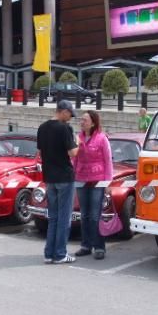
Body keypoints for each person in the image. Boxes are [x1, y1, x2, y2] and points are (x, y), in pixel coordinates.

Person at [37, 99, 79, 264]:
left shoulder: (42, 127)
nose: (70, 118)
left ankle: (49, 253)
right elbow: (73, 153)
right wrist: (79, 143)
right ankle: (60, 253)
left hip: (49, 177)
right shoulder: (65, 128)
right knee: (64, 217)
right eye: (69, 114)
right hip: (64, 177)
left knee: (53, 216)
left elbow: (40, 152)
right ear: (63, 111)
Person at [72, 111, 113, 260]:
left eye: (85, 120)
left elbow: (108, 161)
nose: (82, 122)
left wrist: (108, 181)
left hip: (98, 181)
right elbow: (75, 159)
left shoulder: (102, 139)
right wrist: (73, 175)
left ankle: (99, 247)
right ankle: (86, 245)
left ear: (93, 123)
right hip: (81, 179)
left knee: (95, 216)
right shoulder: (78, 138)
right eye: (81, 119)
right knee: (84, 215)